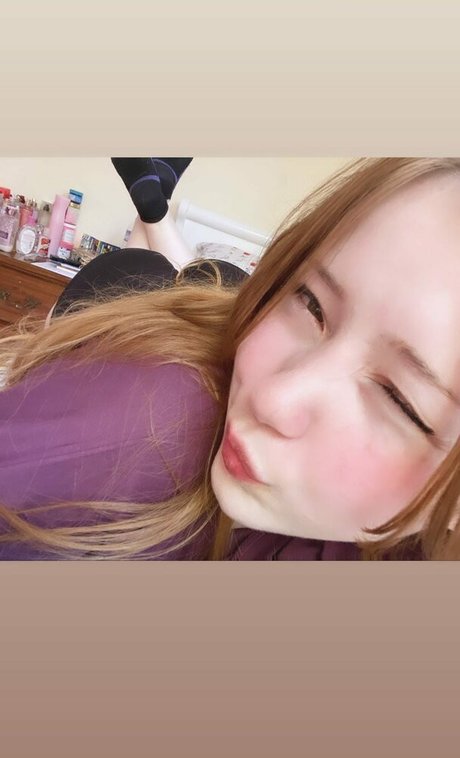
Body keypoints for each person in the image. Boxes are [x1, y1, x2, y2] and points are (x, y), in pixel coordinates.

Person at [1, 157, 460, 561]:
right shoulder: (155, 419)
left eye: (398, 399)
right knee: (165, 273)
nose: (272, 399)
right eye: (309, 301)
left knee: (194, 275)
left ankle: (153, 208)